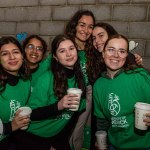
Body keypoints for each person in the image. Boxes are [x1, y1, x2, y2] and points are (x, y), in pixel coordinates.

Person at [14, 34, 86, 150]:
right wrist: (58, 106)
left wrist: (58, 141)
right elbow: (31, 114)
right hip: (33, 136)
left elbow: (73, 116)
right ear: (55, 57)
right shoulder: (46, 79)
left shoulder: (79, 79)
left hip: (55, 136)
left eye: (71, 49)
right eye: (62, 51)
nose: (68, 54)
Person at [93, 34, 150, 150]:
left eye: (122, 51)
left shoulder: (140, 77)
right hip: (114, 145)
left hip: (144, 145)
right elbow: (102, 120)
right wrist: (100, 139)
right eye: (111, 50)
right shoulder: (98, 85)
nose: (116, 55)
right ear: (103, 53)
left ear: (126, 55)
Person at [65, 9, 95, 150]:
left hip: (89, 93)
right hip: (69, 93)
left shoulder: (93, 48)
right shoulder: (66, 47)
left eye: (90, 26)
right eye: (82, 25)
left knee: (83, 129)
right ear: (74, 26)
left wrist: (132, 58)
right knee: (70, 130)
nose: (86, 30)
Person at [0, 36, 31, 149]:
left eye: (16, 52)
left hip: (11, 140)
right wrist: (10, 127)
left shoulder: (25, 82)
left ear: (22, 55)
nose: (12, 57)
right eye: (5, 54)